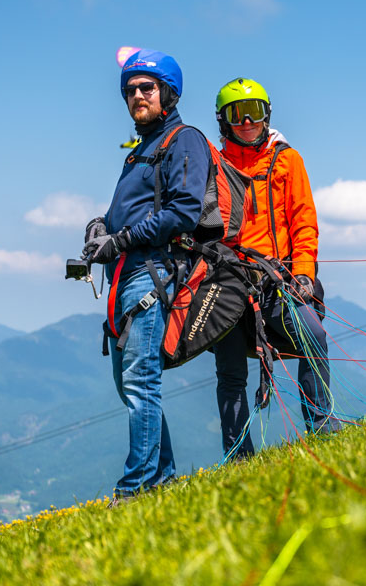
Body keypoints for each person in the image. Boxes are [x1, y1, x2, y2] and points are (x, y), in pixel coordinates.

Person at [83, 49, 210, 501]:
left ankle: (134, 489)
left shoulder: (184, 140)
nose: (137, 95)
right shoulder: (141, 151)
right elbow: (131, 210)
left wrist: (119, 240)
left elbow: (183, 212)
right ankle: (163, 480)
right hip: (126, 274)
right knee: (129, 384)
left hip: (151, 274)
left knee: (139, 382)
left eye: (147, 88)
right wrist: (102, 225)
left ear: (168, 94)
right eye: (131, 89)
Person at [213, 77, 340, 458]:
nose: (247, 121)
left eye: (255, 112)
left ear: (267, 115)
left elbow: (304, 221)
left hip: (280, 281)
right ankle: (238, 455)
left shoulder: (287, 160)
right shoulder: (214, 167)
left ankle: (322, 428)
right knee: (231, 371)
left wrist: (304, 272)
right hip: (231, 284)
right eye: (238, 114)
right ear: (224, 121)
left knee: (313, 337)